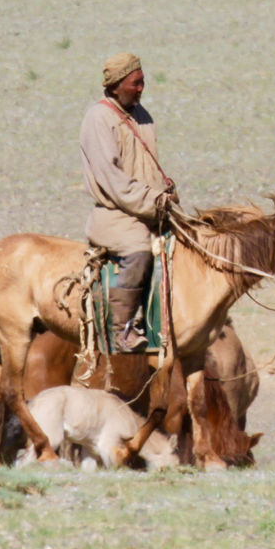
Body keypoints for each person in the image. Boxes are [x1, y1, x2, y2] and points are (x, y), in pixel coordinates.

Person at [79, 52, 177, 352]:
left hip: (147, 208)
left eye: (142, 82)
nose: (141, 88)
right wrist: (152, 200)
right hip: (116, 212)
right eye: (135, 83)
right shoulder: (99, 119)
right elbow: (113, 181)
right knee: (138, 250)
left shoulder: (141, 114)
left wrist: (166, 193)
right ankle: (121, 330)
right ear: (116, 85)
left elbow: (145, 167)